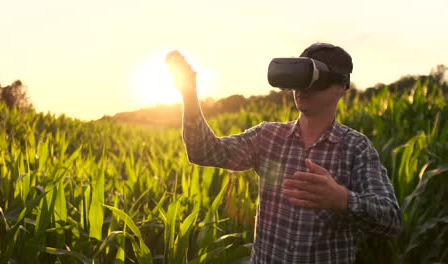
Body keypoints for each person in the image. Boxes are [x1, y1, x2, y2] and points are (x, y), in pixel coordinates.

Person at [165, 43, 402, 264]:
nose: (302, 89)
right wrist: (189, 95)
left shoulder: (356, 148)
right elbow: (204, 152)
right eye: (300, 79)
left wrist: (341, 199)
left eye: (315, 80)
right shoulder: (268, 137)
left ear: (341, 88)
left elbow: (391, 220)